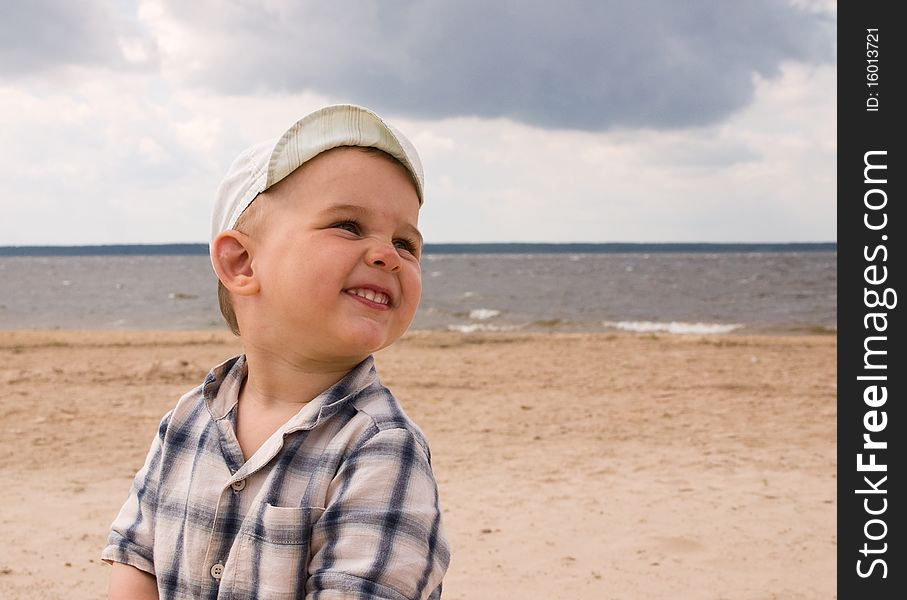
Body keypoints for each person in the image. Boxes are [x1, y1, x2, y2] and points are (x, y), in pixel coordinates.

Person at [101, 104, 451, 599]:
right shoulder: (187, 421)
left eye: (406, 243)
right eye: (348, 225)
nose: (386, 254)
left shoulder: (380, 447)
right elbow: (136, 560)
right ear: (241, 262)